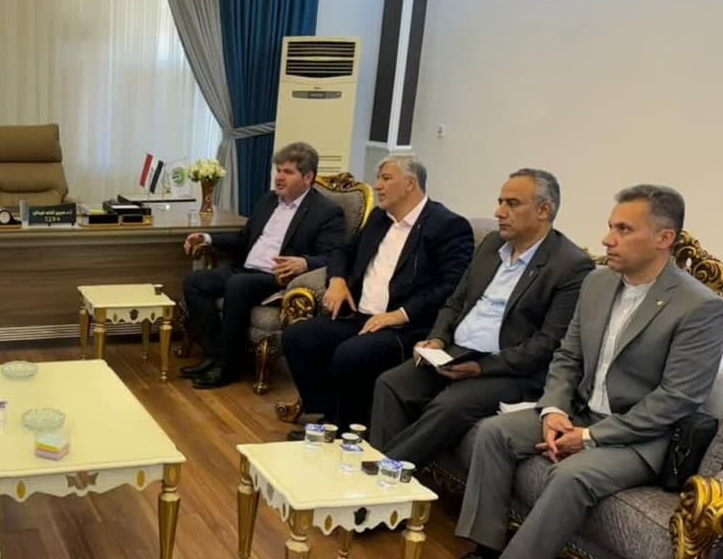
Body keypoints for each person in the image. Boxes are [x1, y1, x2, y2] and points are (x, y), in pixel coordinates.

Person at [428, 185, 723, 559]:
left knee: (572, 475)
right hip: (581, 412)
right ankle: (486, 552)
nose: (608, 239)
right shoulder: (598, 281)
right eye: (610, 227)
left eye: (623, 230)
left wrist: (589, 438)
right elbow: (567, 357)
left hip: (641, 438)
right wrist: (553, 411)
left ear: (664, 239)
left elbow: (676, 399)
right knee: (493, 433)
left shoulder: (700, 307)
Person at [369, 169, 593, 468]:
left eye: (512, 204)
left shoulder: (571, 265)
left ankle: (382, 472)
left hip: (510, 371)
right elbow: (456, 302)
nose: (500, 212)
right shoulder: (491, 244)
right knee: (392, 383)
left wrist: (482, 367)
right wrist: (437, 339)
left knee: (449, 405)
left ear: (543, 210)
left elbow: (547, 344)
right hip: (456, 354)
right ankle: (391, 479)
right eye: (500, 202)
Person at [280, 155, 474, 431]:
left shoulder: (447, 225)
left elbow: (453, 286)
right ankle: (331, 417)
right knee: (298, 337)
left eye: (386, 178)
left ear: (410, 184)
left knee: (351, 354)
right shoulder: (380, 217)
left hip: (405, 326)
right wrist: (337, 279)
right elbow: (343, 250)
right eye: (378, 178)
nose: (377, 186)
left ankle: (347, 429)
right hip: (360, 316)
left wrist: (399, 314)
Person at [180, 142, 346, 389]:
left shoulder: (327, 212)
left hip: (277, 277)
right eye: (278, 170)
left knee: (238, 284)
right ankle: (215, 356)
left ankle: (228, 368)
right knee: (195, 282)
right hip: (245, 269)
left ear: (308, 177)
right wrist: (208, 238)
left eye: (288, 172)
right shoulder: (269, 200)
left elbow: (335, 256)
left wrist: (305, 262)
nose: (279, 177)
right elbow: (244, 239)